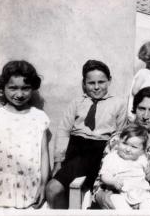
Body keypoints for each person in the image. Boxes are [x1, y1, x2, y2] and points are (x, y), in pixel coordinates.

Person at [46, 60, 127, 209]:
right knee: (53, 189)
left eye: (101, 82)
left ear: (109, 80)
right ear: (84, 83)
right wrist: (58, 161)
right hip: (75, 151)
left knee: (92, 198)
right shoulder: (77, 103)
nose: (96, 87)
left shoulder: (119, 104)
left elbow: (120, 135)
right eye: (91, 83)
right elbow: (63, 131)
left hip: (101, 152)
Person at [0, 60, 50, 209]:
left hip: (31, 188)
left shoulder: (39, 117)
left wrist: (43, 185)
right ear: (3, 88)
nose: (19, 94)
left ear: (33, 88)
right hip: (0, 189)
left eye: (25, 88)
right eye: (13, 88)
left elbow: (44, 154)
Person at [99, 123, 150, 209]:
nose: (128, 149)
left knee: (148, 204)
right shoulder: (112, 157)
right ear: (119, 141)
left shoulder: (142, 158)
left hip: (141, 192)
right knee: (117, 201)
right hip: (120, 193)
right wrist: (113, 181)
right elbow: (104, 175)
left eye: (134, 147)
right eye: (125, 143)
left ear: (142, 150)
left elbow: (149, 173)